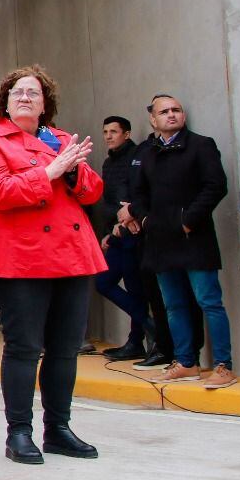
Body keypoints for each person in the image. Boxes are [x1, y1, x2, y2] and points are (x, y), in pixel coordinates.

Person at [0, 66, 106, 465]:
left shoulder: (63, 139)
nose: (26, 97)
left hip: (71, 255)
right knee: (24, 347)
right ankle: (19, 432)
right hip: (20, 259)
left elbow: (93, 191)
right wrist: (49, 171)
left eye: (34, 92)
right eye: (18, 92)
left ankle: (59, 429)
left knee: (65, 348)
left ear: (45, 102)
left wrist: (74, 171)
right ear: (6, 102)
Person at [129, 94, 235, 390]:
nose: (172, 115)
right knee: (173, 305)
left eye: (177, 110)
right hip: (160, 241)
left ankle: (224, 365)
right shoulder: (146, 153)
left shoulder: (201, 145)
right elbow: (137, 194)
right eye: (165, 111)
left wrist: (189, 220)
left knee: (209, 301)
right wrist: (147, 219)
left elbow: (216, 186)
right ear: (153, 119)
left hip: (194, 238)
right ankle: (186, 362)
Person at [94, 116, 161, 362]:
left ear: (127, 134)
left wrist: (128, 220)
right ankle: (147, 326)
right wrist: (109, 230)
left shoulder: (136, 157)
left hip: (134, 232)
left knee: (136, 289)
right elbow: (108, 200)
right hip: (118, 232)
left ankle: (137, 340)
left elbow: (135, 194)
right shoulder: (108, 163)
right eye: (105, 132)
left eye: (114, 131)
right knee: (104, 282)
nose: (109, 136)